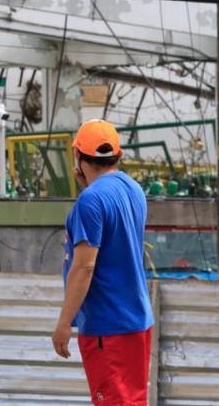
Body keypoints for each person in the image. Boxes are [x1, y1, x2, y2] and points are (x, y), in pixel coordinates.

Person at [52, 119, 154, 405]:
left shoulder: (91, 201)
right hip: (137, 320)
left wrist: (64, 323)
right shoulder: (133, 189)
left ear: (77, 156)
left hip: (108, 328)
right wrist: (89, 188)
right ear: (118, 155)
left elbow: (84, 267)